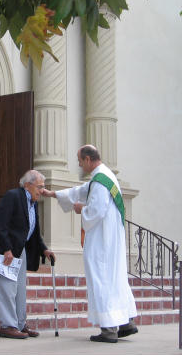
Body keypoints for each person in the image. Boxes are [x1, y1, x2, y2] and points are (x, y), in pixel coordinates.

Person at [42, 145, 138, 343]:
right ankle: (126, 322)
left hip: (102, 241)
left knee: (101, 277)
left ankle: (108, 330)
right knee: (115, 279)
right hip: (111, 239)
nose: (78, 164)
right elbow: (82, 190)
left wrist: (81, 210)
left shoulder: (100, 180)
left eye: (79, 160)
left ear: (87, 159)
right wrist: (54, 194)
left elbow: (96, 210)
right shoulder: (105, 176)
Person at [0, 169, 55, 339]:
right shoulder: (13, 196)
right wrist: (6, 249)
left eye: (43, 187)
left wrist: (44, 249)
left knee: (19, 290)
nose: (42, 191)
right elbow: (0, 224)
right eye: (39, 187)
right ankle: (8, 326)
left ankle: (20, 324)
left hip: (20, 250)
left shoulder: (33, 202)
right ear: (27, 185)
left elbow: (34, 231)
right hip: (5, 251)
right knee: (6, 289)